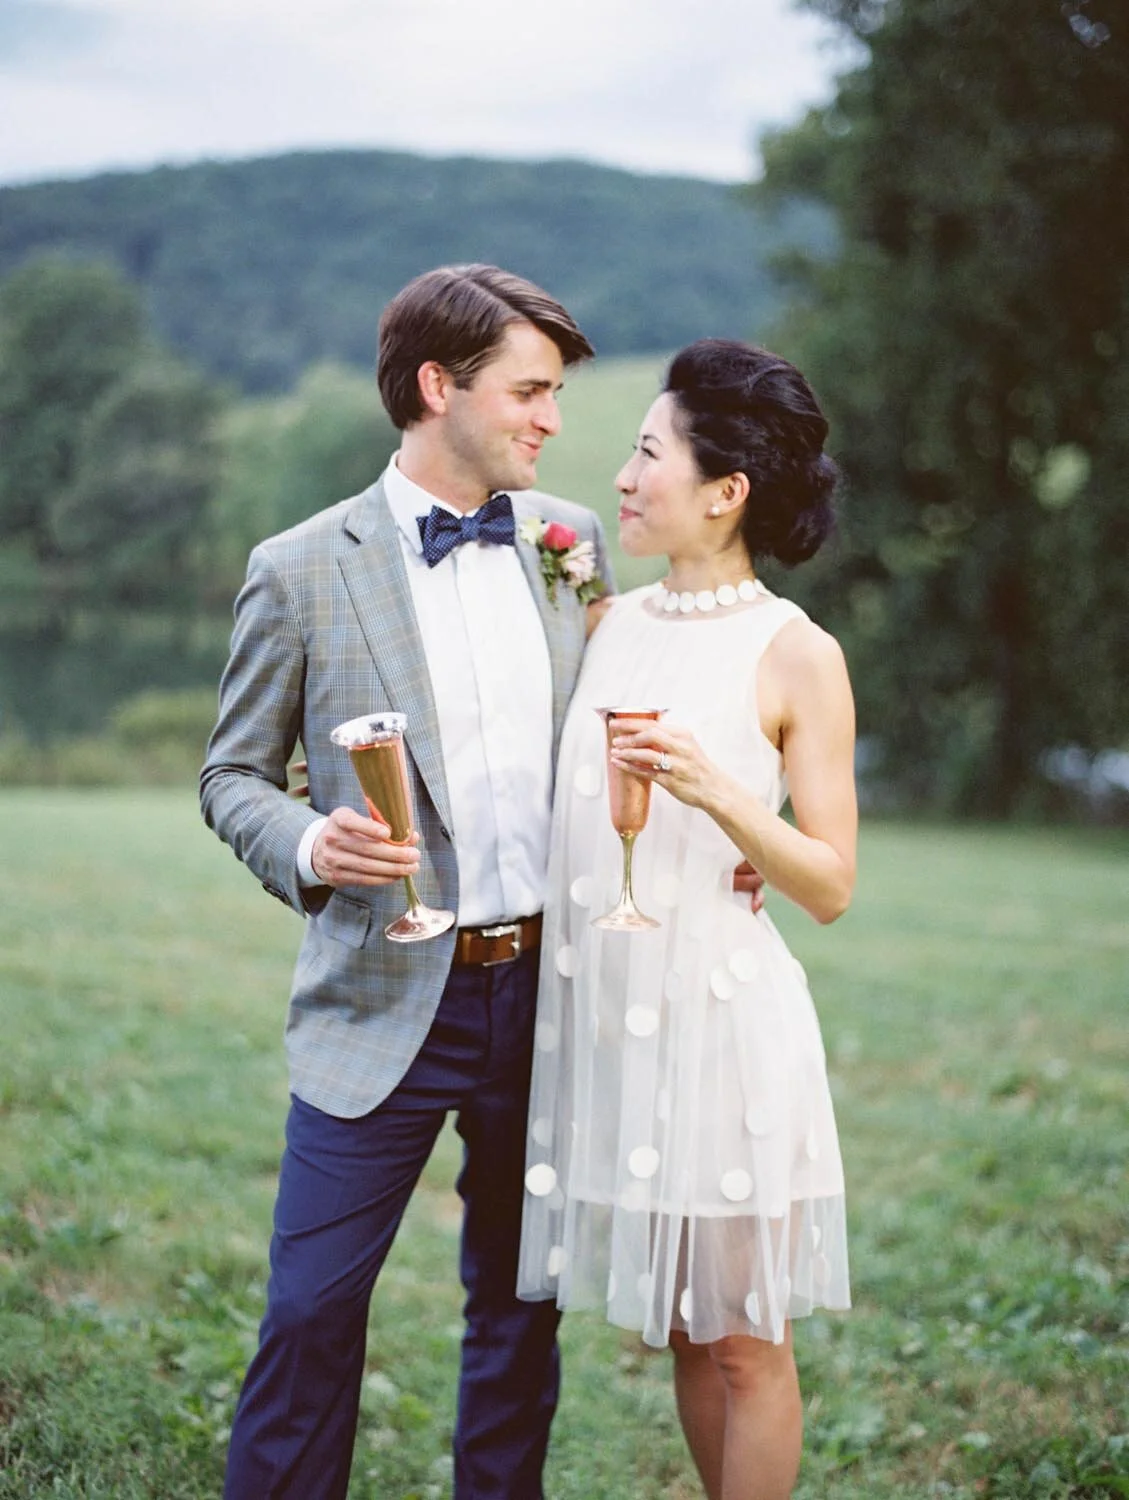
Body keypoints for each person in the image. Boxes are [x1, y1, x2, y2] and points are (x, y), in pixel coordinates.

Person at [200, 263, 612, 1500]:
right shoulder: (300, 567)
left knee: (521, 1306)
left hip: (544, 994)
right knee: (310, 1311)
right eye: (528, 392)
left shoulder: (569, 543)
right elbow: (233, 775)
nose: (551, 420)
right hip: (380, 997)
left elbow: (613, 738)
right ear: (439, 386)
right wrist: (309, 845)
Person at [518, 339, 857, 1500]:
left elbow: (830, 883)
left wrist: (719, 793)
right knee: (682, 1326)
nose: (621, 477)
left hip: (723, 1034)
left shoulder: (796, 653)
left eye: (647, 453)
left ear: (726, 492)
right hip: (619, 1031)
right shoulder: (607, 624)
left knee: (746, 1342)